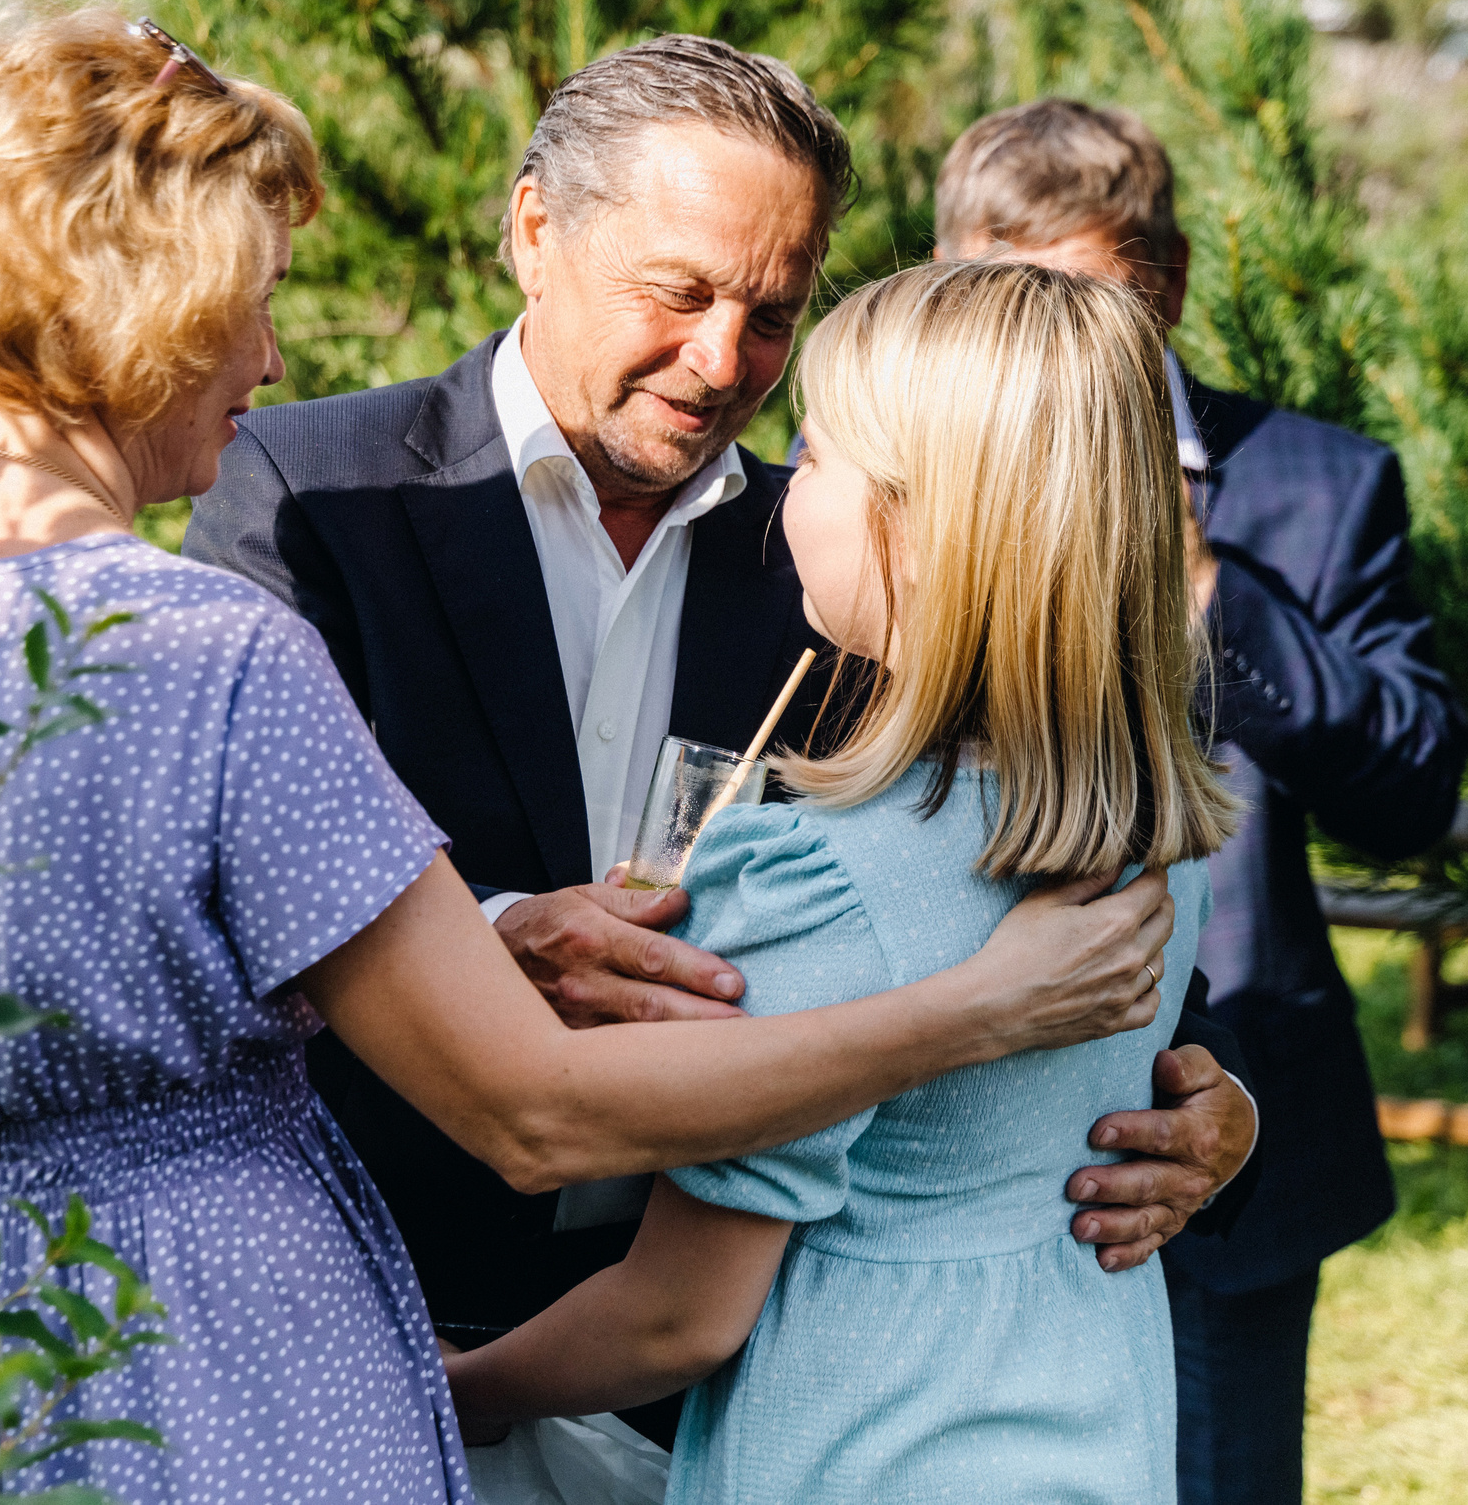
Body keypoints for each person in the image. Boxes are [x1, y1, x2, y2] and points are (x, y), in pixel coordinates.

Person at [0, 9, 1181, 1505]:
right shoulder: (207, 652)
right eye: (251, 301)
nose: (266, 359)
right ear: (149, 305)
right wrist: (976, 1012)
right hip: (219, 1376)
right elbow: (532, 1113)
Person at [184, 35, 1263, 1441]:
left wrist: (1216, 1098)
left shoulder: (857, 549)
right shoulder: (308, 491)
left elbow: (1031, 878)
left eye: (772, 312)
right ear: (534, 230)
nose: (721, 362)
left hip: (739, 1376)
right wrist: (494, 930)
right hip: (381, 1318)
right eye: (680, 291)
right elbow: (222, 896)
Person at [444, 257, 1237, 1502]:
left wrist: (455, 1391)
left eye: (812, 460)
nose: (778, 497)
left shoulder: (813, 875)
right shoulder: (1151, 832)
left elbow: (678, 1318)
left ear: (921, 527)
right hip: (1094, 1447)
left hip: (861, 1455)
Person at [932, 99, 1468, 1505]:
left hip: (1223, 1145)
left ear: (1161, 285)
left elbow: (1413, 791)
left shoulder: (1318, 482)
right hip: (926, 1133)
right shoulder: (873, 474)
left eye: (1088, 305)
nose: (1052, 355)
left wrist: (1210, 587)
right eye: (1009, 305)